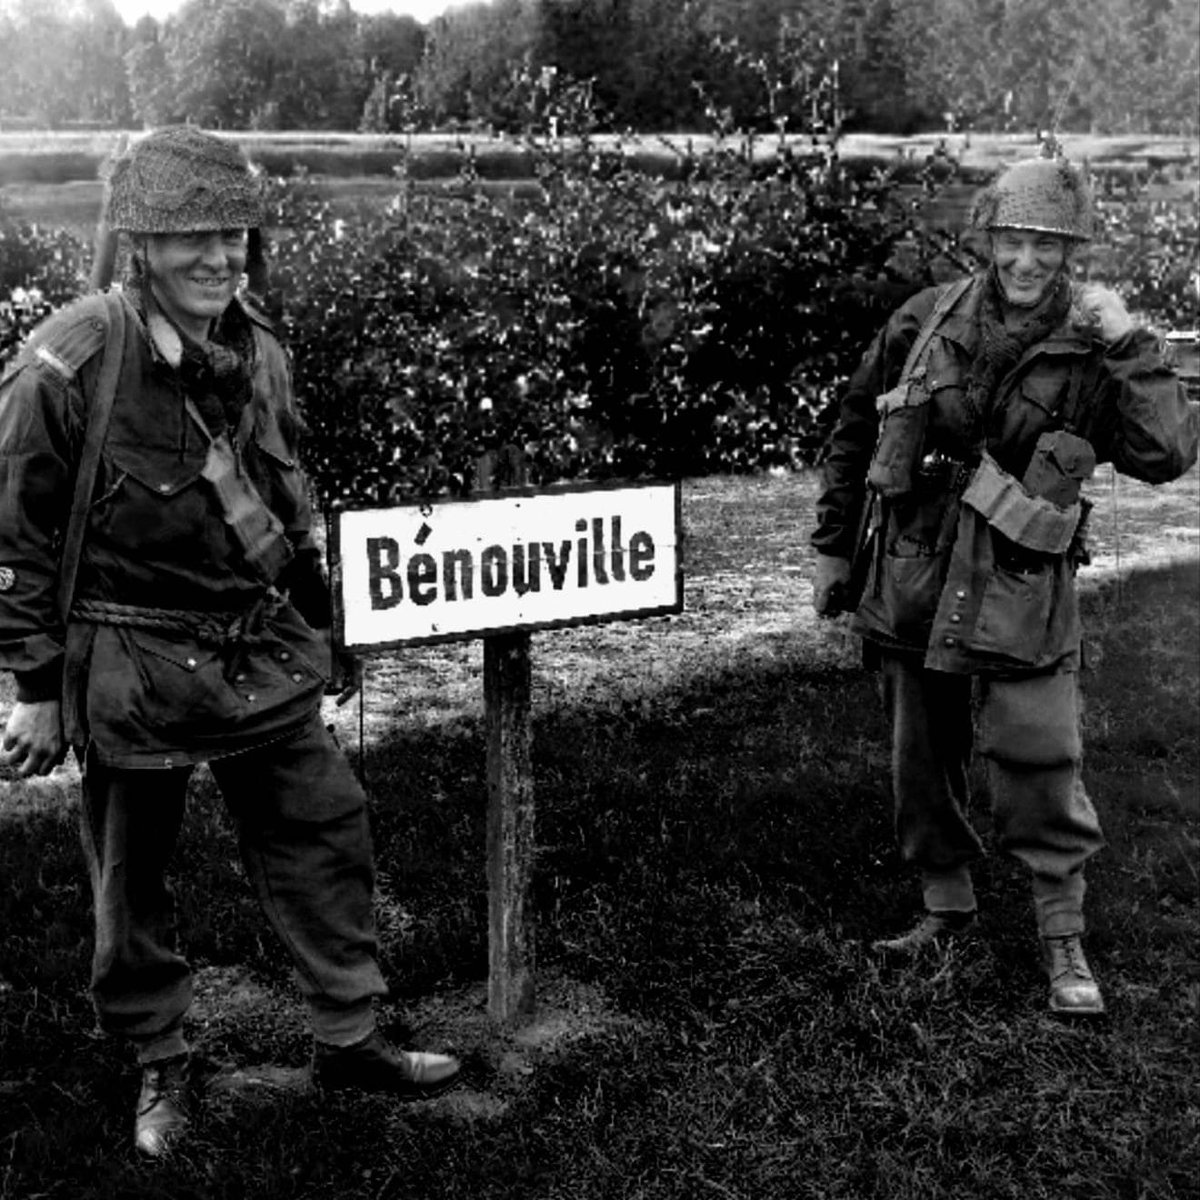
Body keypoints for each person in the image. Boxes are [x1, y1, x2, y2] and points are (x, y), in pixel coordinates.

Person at [0, 126, 462, 1158]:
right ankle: (159, 1060)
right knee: (134, 871)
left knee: (324, 821)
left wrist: (324, 615)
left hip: (254, 642)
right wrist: (35, 685)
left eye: (234, 237)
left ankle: (347, 1036)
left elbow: (283, 498)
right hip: (133, 654)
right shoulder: (70, 360)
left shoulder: (256, 351)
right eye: (190, 239)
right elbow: (15, 537)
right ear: (140, 248)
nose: (219, 258)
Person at [809, 149, 1198, 1016]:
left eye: (1049, 246)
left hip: (1024, 580)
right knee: (921, 750)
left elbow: (1170, 454)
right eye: (1014, 240)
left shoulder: (1097, 347)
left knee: (1040, 753)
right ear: (989, 238)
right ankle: (944, 908)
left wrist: (1131, 344)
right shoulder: (924, 319)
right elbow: (851, 431)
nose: (1028, 262)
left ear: (1072, 255)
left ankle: (1063, 939)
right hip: (914, 568)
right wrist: (834, 547)